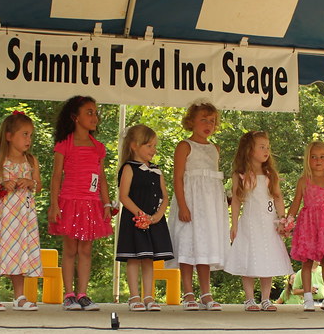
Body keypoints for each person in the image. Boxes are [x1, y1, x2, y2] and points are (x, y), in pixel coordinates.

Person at [48, 96, 113, 311]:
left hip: (91, 203)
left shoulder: (98, 147)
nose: (95, 117)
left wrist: (106, 203)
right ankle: (69, 295)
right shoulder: (64, 145)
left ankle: (83, 293)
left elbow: (101, 177)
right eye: (89, 112)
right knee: (70, 249)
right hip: (69, 202)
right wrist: (54, 204)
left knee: (86, 249)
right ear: (75, 117)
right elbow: (56, 176)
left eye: (95, 112)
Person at [0, 111, 43, 311]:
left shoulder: (31, 161)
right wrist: (3, 185)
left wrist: (30, 182)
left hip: (23, 215)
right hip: (2, 214)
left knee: (19, 250)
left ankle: (19, 296)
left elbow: (38, 186)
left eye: (30, 135)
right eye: (24, 134)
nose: (28, 139)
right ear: (9, 136)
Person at [167, 100, 227, 310]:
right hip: (190, 204)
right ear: (191, 121)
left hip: (209, 209)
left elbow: (213, 182)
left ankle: (206, 293)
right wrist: (183, 206)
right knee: (188, 246)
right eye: (203, 119)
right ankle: (188, 292)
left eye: (212, 121)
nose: (208, 124)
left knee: (205, 247)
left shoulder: (215, 149)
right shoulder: (185, 146)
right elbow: (178, 178)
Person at [224, 131, 293, 311]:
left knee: (267, 258)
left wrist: (282, 219)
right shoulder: (240, 174)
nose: (266, 150)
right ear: (249, 150)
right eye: (261, 147)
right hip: (250, 223)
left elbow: (277, 197)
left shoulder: (270, 174)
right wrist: (235, 224)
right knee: (249, 257)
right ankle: (249, 299)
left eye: (268, 147)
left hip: (268, 223)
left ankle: (265, 298)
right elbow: (237, 200)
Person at [116, 124, 173, 311]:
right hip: (135, 219)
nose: (153, 150)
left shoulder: (156, 170)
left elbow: (165, 196)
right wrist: (141, 215)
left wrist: (157, 216)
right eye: (149, 146)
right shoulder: (129, 168)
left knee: (149, 258)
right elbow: (123, 196)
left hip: (153, 220)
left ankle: (148, 296)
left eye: (154, 146)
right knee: (134, 258)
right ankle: (134, 297)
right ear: (134, 145)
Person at [288, 141, 324, 311]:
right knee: (306, 262)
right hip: (308, 227)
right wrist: (288, 220)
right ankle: (307, 298)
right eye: (313, 157)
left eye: (322, 157)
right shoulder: (304, 181)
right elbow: (295, 204)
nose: (318, 160)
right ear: (308, 159)